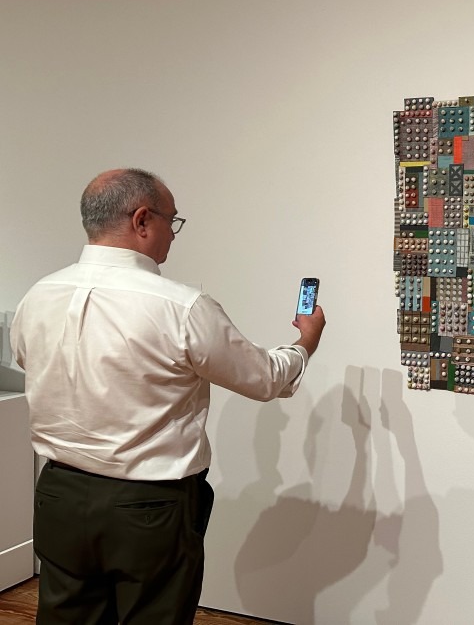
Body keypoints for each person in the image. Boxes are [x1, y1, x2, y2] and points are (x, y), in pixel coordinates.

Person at [10, 168, 326, 625]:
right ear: (142, 220)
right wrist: (306, 342)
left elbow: (29, 362)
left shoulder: (39, 296)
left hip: (59, 494)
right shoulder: (181, 307)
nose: (173, 235)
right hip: (148, 507)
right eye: (171, 221)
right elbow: (264, 380)